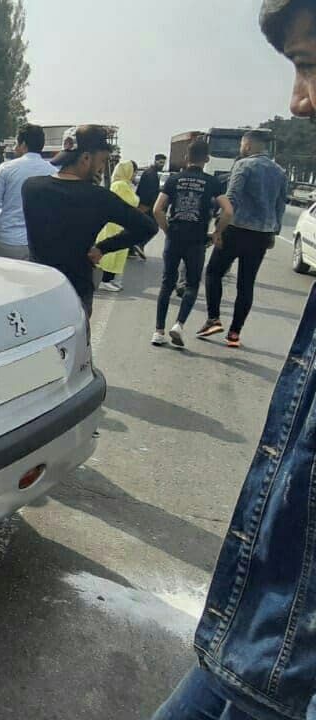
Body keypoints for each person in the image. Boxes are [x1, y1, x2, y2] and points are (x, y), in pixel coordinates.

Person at [151, 3, 316, 718]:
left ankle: (212, 319)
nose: (297, 99)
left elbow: (221, 211)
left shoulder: (240, 170)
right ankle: (234, 326)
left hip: (280, 656)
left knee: (212, 283)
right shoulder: (278, 173)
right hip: (264, 636)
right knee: (245, 289)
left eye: (307, 65)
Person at [21, 125, 157, 318]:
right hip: (75, 293)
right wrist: (103, 248)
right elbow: (147, 227)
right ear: (86, 158)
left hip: (38, 288)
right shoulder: (100, 198)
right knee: (76, 345)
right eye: (101, 161)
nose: (102, 168)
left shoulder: (30, 187)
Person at [196, 129, 289, 348]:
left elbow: (232, 200)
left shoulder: (243, 165)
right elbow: (280, 205)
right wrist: (273, 232)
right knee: (246, 284)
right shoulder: (279, 171)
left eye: (242, 146)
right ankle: (234, 334)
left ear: (247, 146)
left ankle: (213, 319)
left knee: (213, 272)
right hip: (261, 235)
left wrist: (218, 230)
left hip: (236, 229)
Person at [152, 140, 231, 348]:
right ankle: (178, 325)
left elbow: (157, 209)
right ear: (206, 159)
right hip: (196, 240)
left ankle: (158, 331)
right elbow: (228, 211)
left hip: (175, 237)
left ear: (186, 158)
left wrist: (167, 230)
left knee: (167, 283)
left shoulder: (174, 179)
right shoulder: (212, 183)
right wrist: (217, 232)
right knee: (192, 284)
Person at [0, 124, 57, 260]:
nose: (14, 148)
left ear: (23, 144)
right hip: (37, 243)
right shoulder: (53, 172)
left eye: (16, 143)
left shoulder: (6, 168)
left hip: (7, 241)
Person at [96, 160, 140, 293]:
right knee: (113, 252)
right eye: (134, 172)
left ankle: (110, 280)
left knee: (118, 252)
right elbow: (131, 201)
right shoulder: (121, 185)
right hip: (116, 225)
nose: (134, 175)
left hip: (120, 224)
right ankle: (105, 281)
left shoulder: (124, 184)